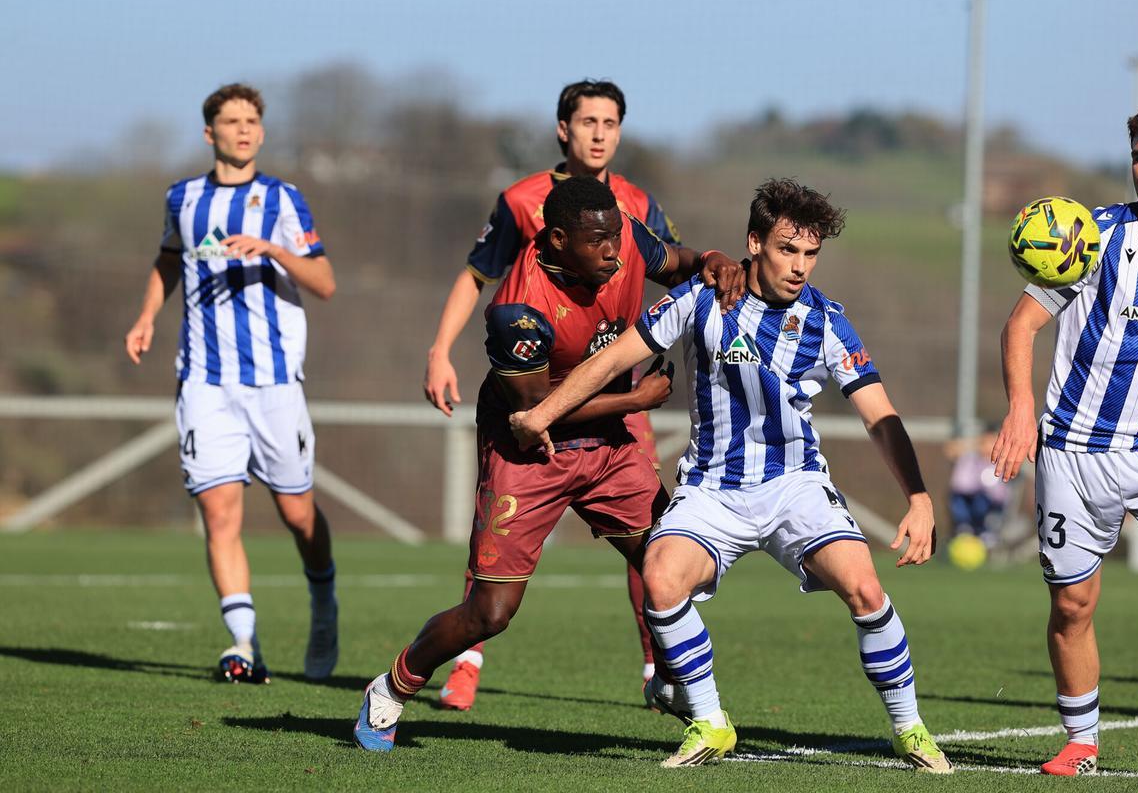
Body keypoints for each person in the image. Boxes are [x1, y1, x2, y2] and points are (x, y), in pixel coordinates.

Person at [510, 179, 953, 772]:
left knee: (866, 589)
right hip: (712, 489)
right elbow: (616, 357)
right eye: (787, 249)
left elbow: (880, 415)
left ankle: (911, 729)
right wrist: (541, 413)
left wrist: (918, 498)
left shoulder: (826, 322)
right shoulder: (703, 298)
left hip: (794, 485)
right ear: (754, 243)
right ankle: (711, 722)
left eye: (810, 253)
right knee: (661, 580)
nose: (800, 266)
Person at [353, 175, 744, 752]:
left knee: (673, 564)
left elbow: (681, 261)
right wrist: (637, 400)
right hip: (530, 452)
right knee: (490, 613)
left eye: (617, 237)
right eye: (597, 242)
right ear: (558, 239)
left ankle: (670, 678)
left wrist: (715, 260)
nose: (613, 251)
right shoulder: (517, 309)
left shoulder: (624, 238)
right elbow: (538, 412)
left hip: (610, 445)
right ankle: (392, 686)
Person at [423, 79, 686, 710]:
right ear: (563, 130)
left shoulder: (635, 205)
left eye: (611, 122)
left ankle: (658, 666)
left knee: (658, 538)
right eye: (588, 121)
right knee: (492, 553)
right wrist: (439, 350)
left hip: (615, 388)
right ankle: (466, 660)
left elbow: (677, 266)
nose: (600, 133)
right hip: (533, 387)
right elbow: (477, 274)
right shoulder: (523, 202)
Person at [991, 100, 1138, 776]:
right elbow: (1020, 326)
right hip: (1074, 457)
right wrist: (1022, 408)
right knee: (1074, 605)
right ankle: (1081, 740)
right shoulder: (1093, 236)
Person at [124, 83, 339, 683]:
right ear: (209, 132)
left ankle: (324, 600)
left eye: (252, 121)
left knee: (299, 517)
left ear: (262, 132)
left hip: (273, 382)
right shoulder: (183, 198)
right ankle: (243, 644)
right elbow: (170, 258)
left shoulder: (283, 199)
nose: (244, 130)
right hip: (203, 382)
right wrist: (146, 316)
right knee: (220, 515)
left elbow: (324, 281)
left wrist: (272, 250)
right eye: (231, 121)